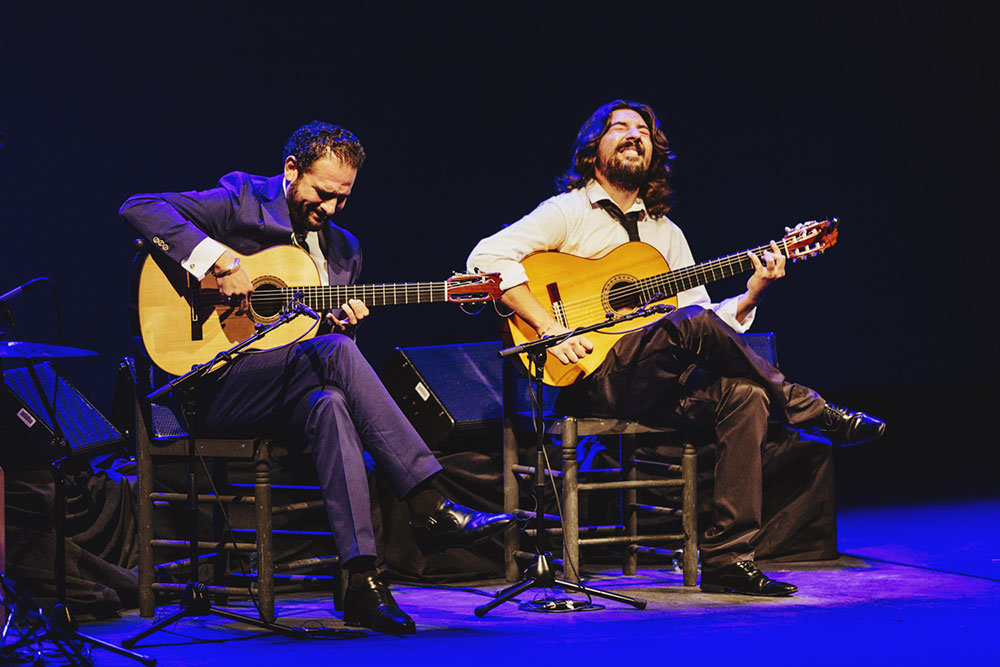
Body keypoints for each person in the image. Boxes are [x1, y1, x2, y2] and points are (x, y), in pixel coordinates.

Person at [466, 100, 885, 597]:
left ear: (654, 151)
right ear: (592, 150)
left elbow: (708, 325)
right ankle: (809, 411)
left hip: (661, 385)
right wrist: (549, 328)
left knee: (744, 395)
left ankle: (729, 559)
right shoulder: (568, 212)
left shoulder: (667, 234)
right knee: (691, 325)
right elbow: (485, 257)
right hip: (593, 379)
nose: (632, 135)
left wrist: (753, 293)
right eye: (618, 127)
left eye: (642, 130)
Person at [120, 121, 513, 634]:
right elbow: (137, 207)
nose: (329, 208)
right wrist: (220, 260)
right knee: (333, 358)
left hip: (283, 391)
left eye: (342, 199)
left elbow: (323, 354)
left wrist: (339, 325)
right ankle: (429, 504)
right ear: (291, 171)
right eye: (322, 193)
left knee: (330, 400)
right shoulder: (240, 199)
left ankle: (363, 584)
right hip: (211, 386)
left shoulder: (345, 250)